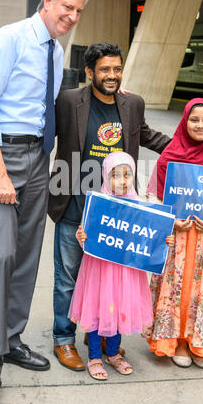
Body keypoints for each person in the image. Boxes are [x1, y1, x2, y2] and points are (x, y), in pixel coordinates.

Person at [0, 0, 88, 388]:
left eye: (78, 11)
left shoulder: (55, 50)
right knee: (0, 253)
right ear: (47, 0)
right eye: (66, 7)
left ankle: (12, 339)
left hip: (37, 157)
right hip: (3, 156)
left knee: (26, 256)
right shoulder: (9, 39)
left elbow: (42, 110)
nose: (71, 16)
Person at [48, 42, 172, 371]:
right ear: (90, 72)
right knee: (68, 278)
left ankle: (100, 333)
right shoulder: (69, 100)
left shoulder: (132, 103)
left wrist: (188, 151)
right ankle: (64, 339)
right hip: (75, 204)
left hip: (117, 211)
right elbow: (42, 132)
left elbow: (148, 136)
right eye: (104, 69)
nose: (112, 75)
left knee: (108, 278)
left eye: (116, 69)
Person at [146, 98, 203, 369]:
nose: (200, 125)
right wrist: (172, 221)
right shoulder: (170, 155)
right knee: (179, 290)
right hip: (179, 237)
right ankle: (178, 341)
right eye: (194, 120)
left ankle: (201, 342)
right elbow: (153, 194)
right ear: (184, 122)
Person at [69, 151, 174, 380]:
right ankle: (94, 355)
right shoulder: (99, 203)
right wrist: (82, 235)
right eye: (116, 175)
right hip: (100, 271)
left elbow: (150, 236)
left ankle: (114, 353)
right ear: (107, 176)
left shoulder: (139, 205)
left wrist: (164, 239)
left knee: (121, 309)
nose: (123, 180)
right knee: (98, 309)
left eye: (128, 175)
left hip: (126, 273)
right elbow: (86, 233)